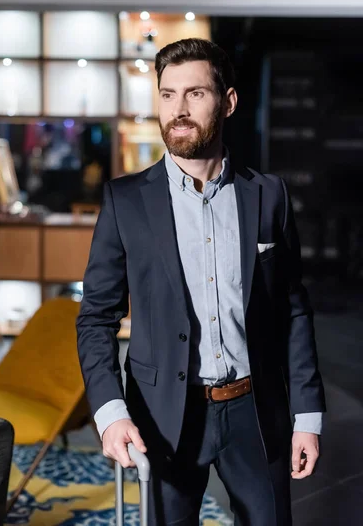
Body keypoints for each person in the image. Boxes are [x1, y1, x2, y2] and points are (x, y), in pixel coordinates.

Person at [77, 38, 326, 526]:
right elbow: (96, 318)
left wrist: (308, 417)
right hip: (164, 415)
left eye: (195, 94)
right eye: (168, 94)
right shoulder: (124, 200)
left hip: (257, 412)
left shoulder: (268, 195)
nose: (179, 109)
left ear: (228, 102)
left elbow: (293, 310)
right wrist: (110, 410)